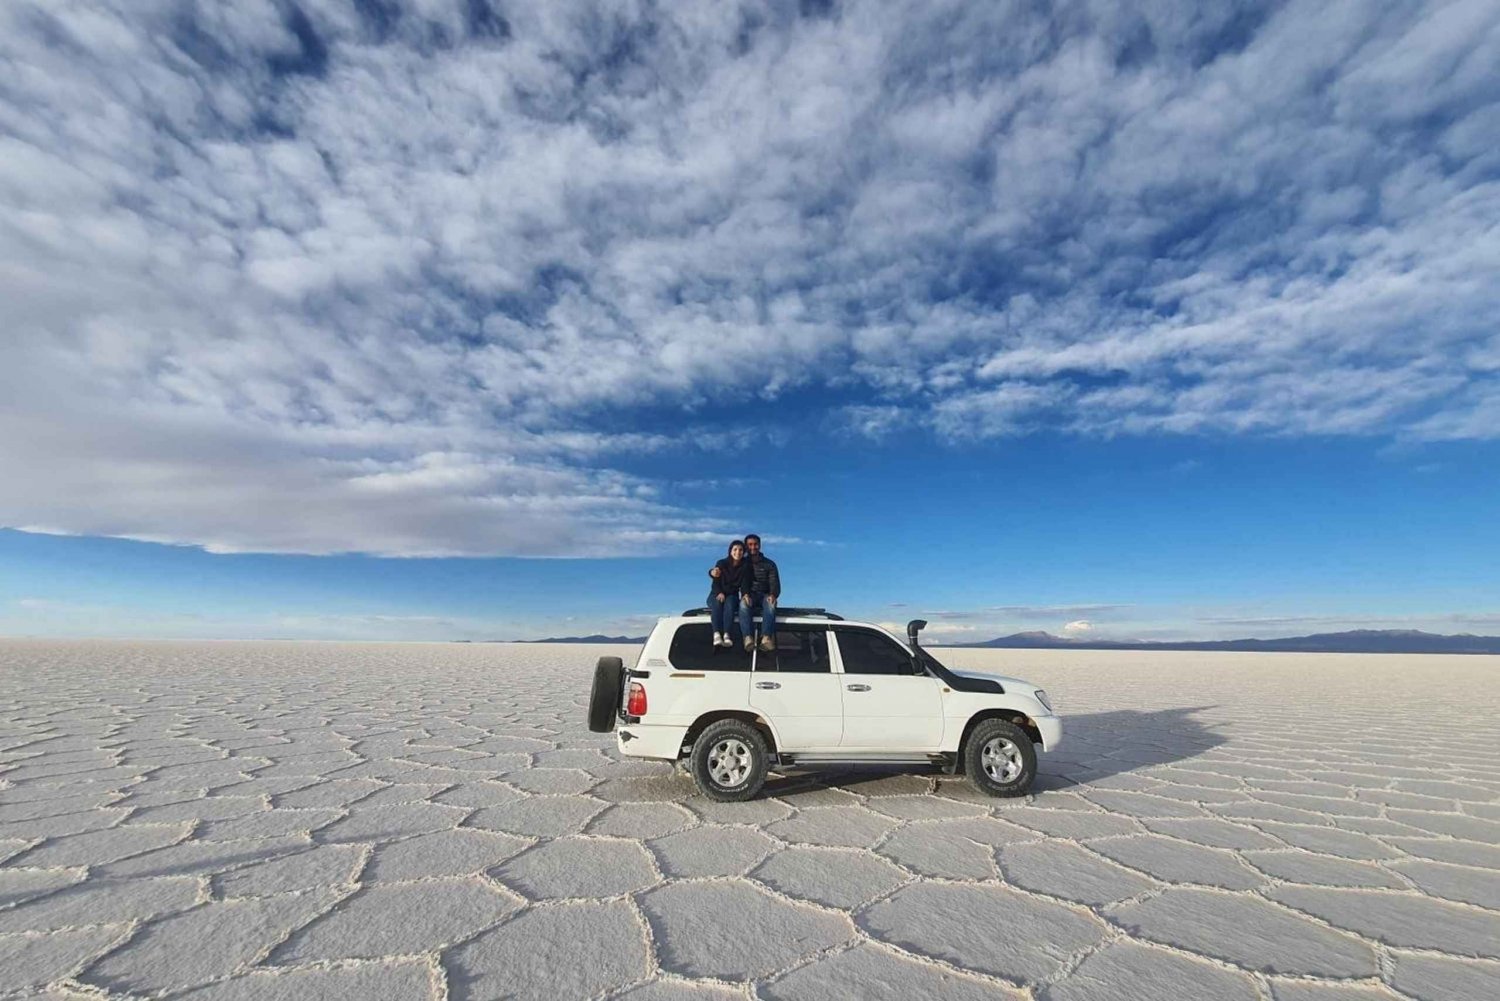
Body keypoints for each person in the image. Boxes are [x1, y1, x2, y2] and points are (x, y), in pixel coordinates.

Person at [738, 534, 780, 652]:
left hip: (765, 594)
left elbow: (774, 582)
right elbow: (742, 581)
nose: (753, 547)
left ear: (760, 545)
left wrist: (773, 594)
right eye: (750, 544)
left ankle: (766, 638)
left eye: (755, 544)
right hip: (749, 594)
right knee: (743, 604)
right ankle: (747, 638)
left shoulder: (770, 564)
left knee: (771, 604)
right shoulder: (742, 563)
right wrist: (745, 593)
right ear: (746, 546)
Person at [708, 539, 749, 647]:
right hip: (716, 593)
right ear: (730, 551)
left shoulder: (745, 566)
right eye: (735, 549)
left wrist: (745, 594)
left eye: (740, 550)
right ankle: (716, 634)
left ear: (744, 552)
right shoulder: (722, 563)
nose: (738, 552)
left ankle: (727, 634)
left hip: (732, 595)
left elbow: (745, 583)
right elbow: (715, 578)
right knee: (717, 603)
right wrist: (719, 592)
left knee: (730, 605)